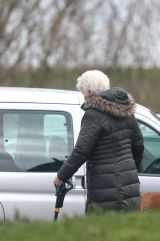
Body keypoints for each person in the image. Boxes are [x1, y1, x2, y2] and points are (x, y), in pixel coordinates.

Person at [53, 70, 144, 212]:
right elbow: (139, 146)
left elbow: (82, 151)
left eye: (83, 92)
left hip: (105, 190)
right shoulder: (127, 112)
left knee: (102, 231)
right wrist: (130, 169)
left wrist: (61, 176)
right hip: (129, 188)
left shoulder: (93, 115)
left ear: (89, 92)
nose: (83, 96)